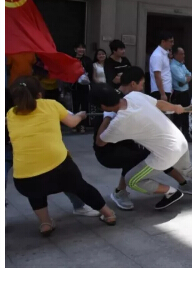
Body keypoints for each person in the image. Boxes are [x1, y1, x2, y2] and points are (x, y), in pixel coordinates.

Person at [7, 77, 117, 236]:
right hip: (59, 170)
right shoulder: (50, 104)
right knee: (81, 187)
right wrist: (81, 115)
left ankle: (45, 223)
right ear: (39, 94)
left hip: (24, 180)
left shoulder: (11, 114)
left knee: (35, 193)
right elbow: (72, 123)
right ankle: (108, 214)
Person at [95, 84, 192, 208]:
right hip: (179, 140)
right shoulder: (135, 95)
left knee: (132, 181)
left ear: (103, 106)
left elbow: (100, 142)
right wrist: (178, 108)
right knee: (189, 168)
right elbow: (160, 104)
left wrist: (107, 117)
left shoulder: (118, 123)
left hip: (166, 154)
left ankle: (171, 192)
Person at [170, 46, 192, 141]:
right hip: (178, 93)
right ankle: (176, 136)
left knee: (186, 114)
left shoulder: (182, 65)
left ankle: (186, 134)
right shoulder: (173, 66)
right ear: (175, 55)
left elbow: (190, 74)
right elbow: (182, 79)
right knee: (178, 115)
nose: (183, 56)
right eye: (181, 54)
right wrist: (186, 79)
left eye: (183, 54)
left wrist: (186, 79)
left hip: (185, 92)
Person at [149, 31, 174, 102]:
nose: (172, 44)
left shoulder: (165, 54)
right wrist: (162, 93)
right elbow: (157, 75)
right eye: (170, 41)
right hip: (160, 91)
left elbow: (166, 72)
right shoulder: (157, 55)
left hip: (166, 89)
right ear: (163, 42)